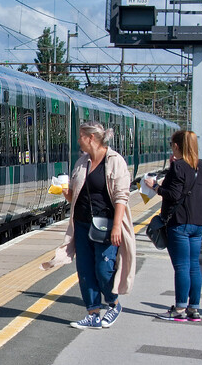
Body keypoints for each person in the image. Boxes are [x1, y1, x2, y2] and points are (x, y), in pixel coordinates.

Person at [42, 121, 136, 329]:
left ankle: (113, 304)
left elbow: (122, 196)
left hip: (106, 225)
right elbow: (75, 196)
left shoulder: (114, 161)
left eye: (81, 137)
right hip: (82, 224)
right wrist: (64, 191)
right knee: (84, 270)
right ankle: (92, 312)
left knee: (103, 269)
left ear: (91, 138)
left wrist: (117, 227)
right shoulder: (82, 162)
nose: (78, 141)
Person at [145, 130, 202, 321]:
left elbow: (172, 194)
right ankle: (193, 309)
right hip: (198, 223)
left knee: (181, 266)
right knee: (194, 266)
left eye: (172, 144)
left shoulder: (178, 167)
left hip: (179, 223)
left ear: (177, 146)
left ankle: (179, 309)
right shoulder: (201, 166)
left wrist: (154, 186)